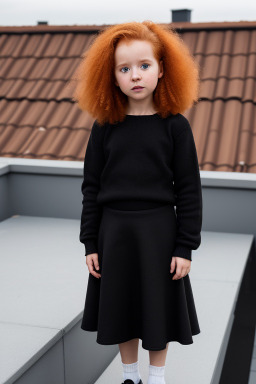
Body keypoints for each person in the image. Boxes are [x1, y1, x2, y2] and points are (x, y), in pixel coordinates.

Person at [72, 20, 203, 384]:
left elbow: (189, 190)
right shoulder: (104, 127)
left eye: (144, 65)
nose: (135, 75)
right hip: (114, 234)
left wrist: (185, 247)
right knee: (123, 309)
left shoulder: (175, 127)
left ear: (163, 69)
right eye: (124, 68)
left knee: (157, 309)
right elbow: (91, 188)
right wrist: (90, 242)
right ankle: (130, 376)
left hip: (159, 234)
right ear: (111, 77)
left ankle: (156, 377)